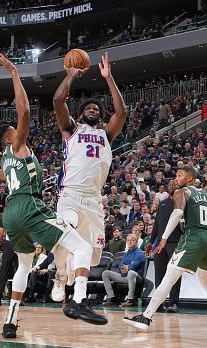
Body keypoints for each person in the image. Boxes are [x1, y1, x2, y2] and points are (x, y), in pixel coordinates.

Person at [0, 52, 107, 339]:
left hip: (11, 213)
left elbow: (14, 179)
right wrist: (14, 73)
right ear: (10, 137)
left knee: (24, 264)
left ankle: (10, 322)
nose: (20, 129)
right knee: (83, 248)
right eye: (15, 131)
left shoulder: (7, 158)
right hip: (28, 206)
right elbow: (23, 111)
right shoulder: (17, 145)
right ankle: (78, 301)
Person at [123, 166, 207, 332]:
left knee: (168, 278)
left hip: (193, 237)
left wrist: (163, 238)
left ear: (189, 179)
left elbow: (176, 214)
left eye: (180, 175)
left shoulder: (182, 192)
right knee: (206, 282)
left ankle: (145, 317)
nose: (176, 178)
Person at [50, 51, 127, 302]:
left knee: (92, 252)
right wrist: (71, 75)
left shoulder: (106, 133)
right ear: (81, 114)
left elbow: (122, 112)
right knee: (65, 232)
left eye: (96, 108)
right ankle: (61, 274)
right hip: (70, 194)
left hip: (94, 199)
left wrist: (109, 78)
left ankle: (69, 272)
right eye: (88, 108)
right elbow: (58, 101)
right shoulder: (71, 128)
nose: (92, 110)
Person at [148, 180, 182, 312]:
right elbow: (157, 224)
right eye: (170, 185)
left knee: (174, 274)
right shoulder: (162, 203)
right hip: (159, 244)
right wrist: (151, 241)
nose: (172, 186)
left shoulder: (182, 203)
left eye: (175, 185)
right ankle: (159, 302)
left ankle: (173, 303)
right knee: (159, 273)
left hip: (176, 242)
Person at [101, 234, 147, 307]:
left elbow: (133, 267)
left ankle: (130, 300)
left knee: (131, 273)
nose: (130, 242)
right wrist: (124, 269)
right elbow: (120, 266)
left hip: (137, 277)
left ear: (136, 242)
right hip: (125, 275)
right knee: (105, 273)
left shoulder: (140, 253)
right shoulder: (126, 253)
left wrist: (128, 267)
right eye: (128, 240)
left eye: (132, 240)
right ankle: (111, 298)